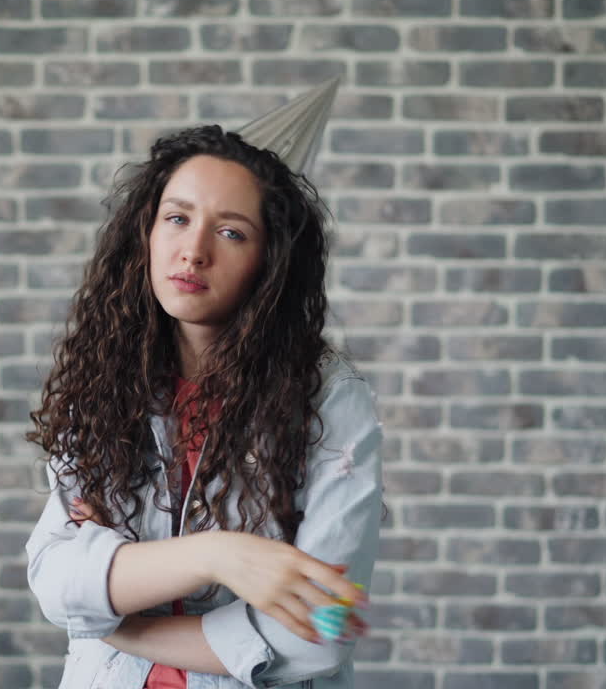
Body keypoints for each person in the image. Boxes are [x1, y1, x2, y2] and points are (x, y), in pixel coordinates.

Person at [25, 82, 384, 689]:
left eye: (231, 232)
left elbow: (320, 627)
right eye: (178, 218)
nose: (192, 251)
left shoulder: (329, 398)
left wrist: (120, 619)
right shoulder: (106, 376)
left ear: (270, 263)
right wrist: (222, 557)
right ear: (147, 232)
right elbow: (56, 581)